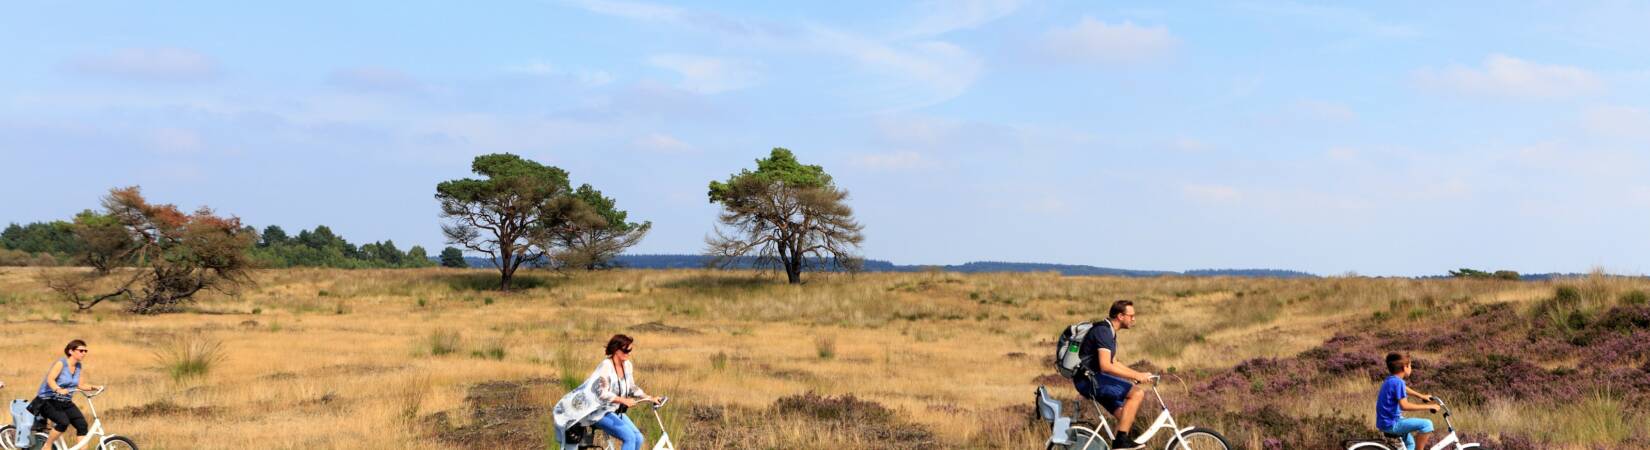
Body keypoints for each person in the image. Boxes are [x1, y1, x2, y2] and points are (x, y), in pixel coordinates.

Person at [552, 334, 660, 450]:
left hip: (615, 411)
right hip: (599, 412)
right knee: (629, 438)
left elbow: (631, 387)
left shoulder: (627, 365)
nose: (628, 353)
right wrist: (622, 400)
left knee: (638, 438)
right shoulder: (606, 366)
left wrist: (650, 398)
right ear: (615, 350)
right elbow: (601, 393)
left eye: (630, 350)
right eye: (626, 350)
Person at [1074, 300, 1155, 450]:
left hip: (1091, 379)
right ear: (1120, 316)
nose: (1134, 319)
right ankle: (1120, 443)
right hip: (1089, 381)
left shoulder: (1109, 331)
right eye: (1131, 316)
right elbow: (1106, 366)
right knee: (1137, 394)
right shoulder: (1103, 332)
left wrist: (1134, 375)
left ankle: (1121, 444)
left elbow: (1114, 362)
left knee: (1125, 416)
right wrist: (1137, 375)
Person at [33, 339, 103, 449]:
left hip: (65, 401)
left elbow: (81, 385)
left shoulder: (78, 366)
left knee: (82, 425)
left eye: (86, 351)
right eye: (81, 350)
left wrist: (94, 387)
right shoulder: (61, 363)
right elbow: (50, 379)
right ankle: (47, 445)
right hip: (47, 400)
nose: (84, 353)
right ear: (71, 351)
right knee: (63, 422)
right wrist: (58, 389)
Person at [1376, 352, 1438, 450]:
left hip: (1385, 422)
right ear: (1405, 367)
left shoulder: (1391, 380)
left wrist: (1421, 396)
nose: (1411, 368)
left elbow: (1404, 388)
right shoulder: (1398, 382)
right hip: (1392, 424)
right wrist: (1430, 406)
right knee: (1427, 424)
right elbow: (1404, 406)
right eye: (1410, 366)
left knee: (1410, 444)